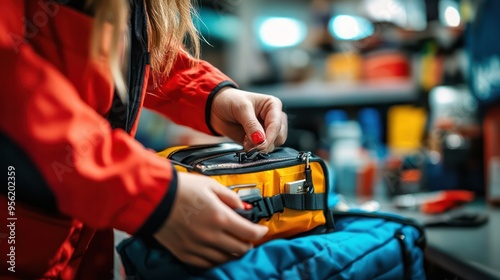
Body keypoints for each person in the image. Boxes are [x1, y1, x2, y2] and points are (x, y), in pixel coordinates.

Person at [0, 0, 288, 278]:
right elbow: (12, 89)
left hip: (77, 246)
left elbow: (122, 52)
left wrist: (211, 95)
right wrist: (148, 193)